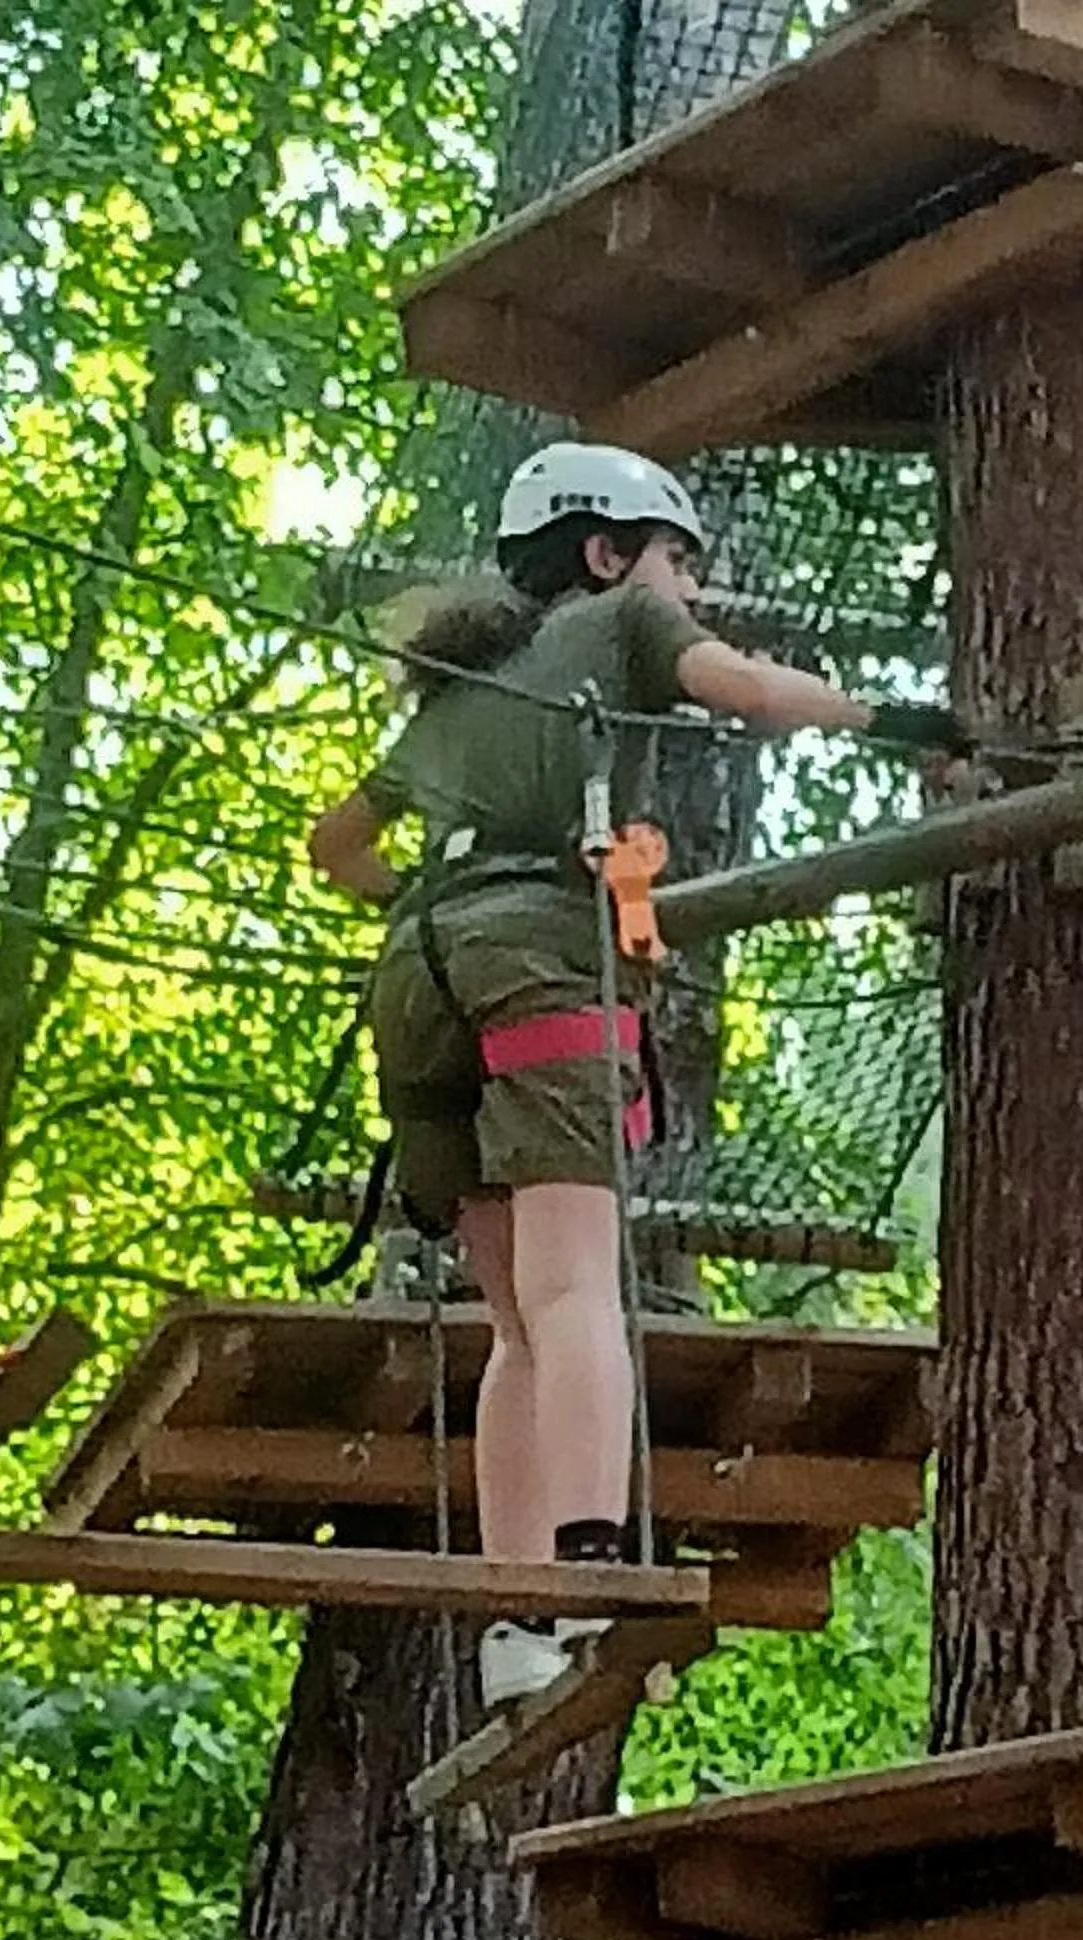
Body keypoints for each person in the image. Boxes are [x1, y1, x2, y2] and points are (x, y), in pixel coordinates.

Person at [308, 442, 970, 1710]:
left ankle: (516, 1626)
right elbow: (745, 689)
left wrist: (439, 906)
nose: (693, 592)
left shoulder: (460, 688)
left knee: (514, 1320)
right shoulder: (622, 624)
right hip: (539, 967)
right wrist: (895, 721)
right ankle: (588, 1574)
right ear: (608, 555)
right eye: (679, 561)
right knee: (574, 1292)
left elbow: (335, 847)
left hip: (416, 977)